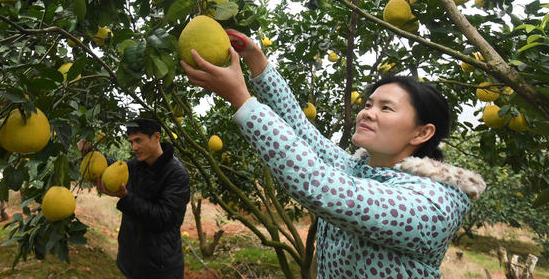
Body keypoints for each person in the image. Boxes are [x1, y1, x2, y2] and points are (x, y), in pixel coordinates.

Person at [181, 31, 486, 279]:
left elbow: (321, 186)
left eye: (386, 108)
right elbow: (301, 129)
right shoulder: (360, 168)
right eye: (368, 104)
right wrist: (257, 61)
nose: (367, 113)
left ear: (422, 133)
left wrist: (242, 100)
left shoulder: (433, 203)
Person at [77, 118, 190, 279]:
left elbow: (164, 219)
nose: (134, 147)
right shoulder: (137, 165)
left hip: (160, 268)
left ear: (156, 137)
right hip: (132, 261)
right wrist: (91, 153)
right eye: (131, 142)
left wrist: (126, 198)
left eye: (138, 140)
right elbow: (114, 167)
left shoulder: (176, 174)